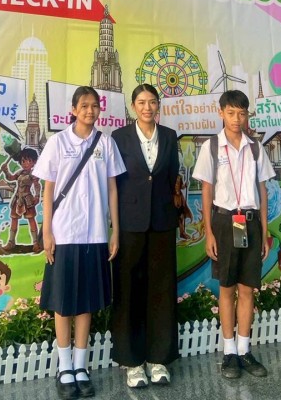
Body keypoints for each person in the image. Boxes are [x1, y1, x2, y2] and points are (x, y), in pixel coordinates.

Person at [33, 86, 125, 400]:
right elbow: (48, 191)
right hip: (64, 234)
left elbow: (112, 188)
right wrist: (47, 232)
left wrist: (115, 230)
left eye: (94, 106)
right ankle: (65, 368)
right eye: (83, 105)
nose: (89, 111)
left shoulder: (106, 143)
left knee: (85, 303)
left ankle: (81, 367)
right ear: (73, 110)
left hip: (95, 234)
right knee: (62, 303)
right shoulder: (58, 142)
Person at [193, 90, 275, 380]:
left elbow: (262, 191)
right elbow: (206, 191)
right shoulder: (212, 147)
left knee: (247, 289)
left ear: (247, 115)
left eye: (242, 113)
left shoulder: (256, 148)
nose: (237, 119)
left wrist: (264, 230)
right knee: (227, 288)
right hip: (225, 222)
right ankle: (229, 353)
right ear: (221, 113)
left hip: (249, 223)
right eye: (231, 113)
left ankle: (244, 350)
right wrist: (209, 233)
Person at [111, 84, 179, 388]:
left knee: (161, 290)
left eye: (152, 102)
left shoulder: (169, 136)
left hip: (162, 222)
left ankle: (158, 359)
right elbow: (115, 182)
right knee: (129, 291)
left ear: (158, 105)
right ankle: (132, 362)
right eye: (141, 102)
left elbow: (171, 176)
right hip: (130, 224)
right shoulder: (119, 137)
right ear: (133, 106)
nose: (147, 107)